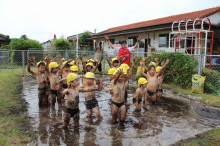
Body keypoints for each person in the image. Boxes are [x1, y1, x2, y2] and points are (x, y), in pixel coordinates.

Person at [105, 58, 135, 123]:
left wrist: (132, 67)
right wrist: (118, 75)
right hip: (114, 102)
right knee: (114, 116)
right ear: (116, 75)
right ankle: (113, 130)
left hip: (122, 102)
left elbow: (129, 75)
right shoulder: (114, 81)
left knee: (123, 117)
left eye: (123, 77)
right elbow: (115, 79)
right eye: (120, 77)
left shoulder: (123, 82)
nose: (121, 78)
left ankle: (121, 129)